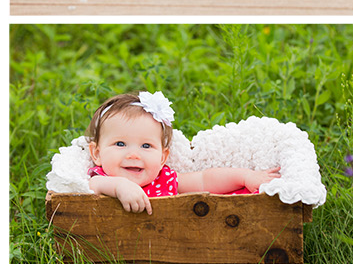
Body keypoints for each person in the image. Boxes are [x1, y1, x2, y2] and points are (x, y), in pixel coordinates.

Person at [55, 86, 267, 214]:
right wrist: (120, 186)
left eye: (146, 146)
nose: (133, 154)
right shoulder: (100, 178)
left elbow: (205, 180)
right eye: (120, 144)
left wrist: (244, 176)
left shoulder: (164, 179)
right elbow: (92, 186)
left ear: (164, 156)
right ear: (97, 154)